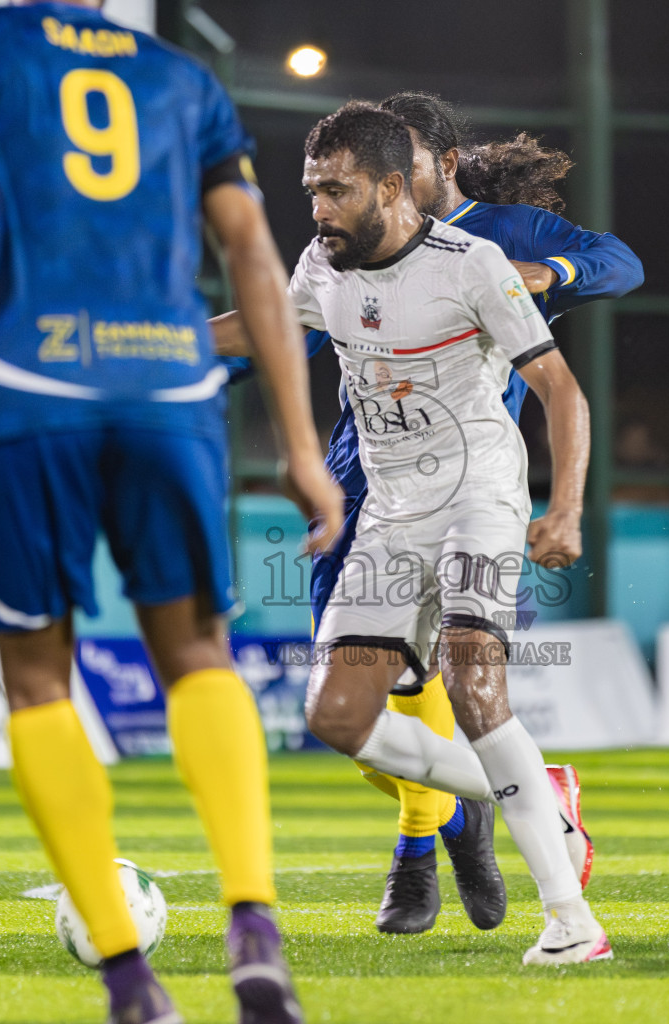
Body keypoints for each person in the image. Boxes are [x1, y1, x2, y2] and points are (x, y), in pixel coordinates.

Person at [0, 5, 343, 1022]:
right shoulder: (183, 78)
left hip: (26, 383)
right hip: (170, 388)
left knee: (39, 679)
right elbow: (252, 251)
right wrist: (299, 444)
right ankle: (253, 924)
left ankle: (130, 982)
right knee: (200, 655)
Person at [217, 91, 643, 936]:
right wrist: (156, 353)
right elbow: (275, 330)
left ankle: (554, 914)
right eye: (313, 190)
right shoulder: (327, 260)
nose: (318, 207)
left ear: (409, 177)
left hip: (478, 492)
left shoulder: (487, 249)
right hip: (375, 495)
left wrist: (565, 508)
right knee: (340, 714)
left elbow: (584, 336)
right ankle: (517, 797)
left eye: (337, 188)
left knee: (470, 679)